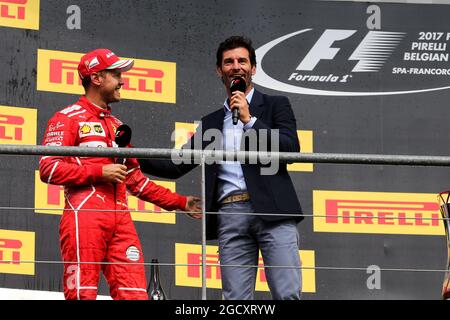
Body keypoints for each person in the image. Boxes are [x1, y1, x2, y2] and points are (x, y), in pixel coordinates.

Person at [139, 36, 303, 300]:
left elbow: (290, 149)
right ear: (219, 70)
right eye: (228, 62)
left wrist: (250, 120)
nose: (235, 66)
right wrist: (127, 153)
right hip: (230, 214)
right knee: (235, 300)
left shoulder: (275, 105)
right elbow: (175, 165)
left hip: (275, 211)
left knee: (287, 294)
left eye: (242, 61)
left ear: (253, 68)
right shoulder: (212, 122)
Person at [39, 48, 202, 300]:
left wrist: (180, 202)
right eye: (115, 74)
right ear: (96, 78)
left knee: (136, 296)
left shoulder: (117, 126)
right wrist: (98, 172)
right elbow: (48, 169)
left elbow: (135, 179)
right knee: (82, 295)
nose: (122, 81)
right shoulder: (66, 118)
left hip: (121, 220)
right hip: (85, 217)